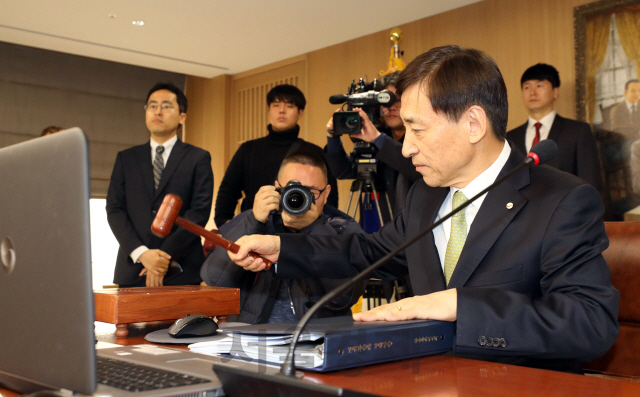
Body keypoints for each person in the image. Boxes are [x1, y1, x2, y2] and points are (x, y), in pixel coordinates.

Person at [227, 45, 619, 373]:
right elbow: (368, 252)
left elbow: (589, 325)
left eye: (418, 129)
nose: (408, 147)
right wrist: (283, 249)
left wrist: (459, 304)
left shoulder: (562, 200)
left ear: (473, 124)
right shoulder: (425, 195)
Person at [202, 150, 363, 324]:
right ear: (277, 187)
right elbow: (214, 281)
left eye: (311, 191)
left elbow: (346, 296)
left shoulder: (342, 228)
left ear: (326, 193)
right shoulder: (256, 218)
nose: (300, 198)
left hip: (315, 340)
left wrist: (314, 229)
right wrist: (253, 221)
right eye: (293, 189)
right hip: (253, 338)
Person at [106, 83, 214, 287]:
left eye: (166, 106)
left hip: (182, 267)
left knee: (184, 320)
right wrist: (142, 253)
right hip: (133, 268)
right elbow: (114, 209)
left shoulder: (197, 158)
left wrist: (164, 257)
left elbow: (199, 212)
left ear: (182, 116)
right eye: (152, 105)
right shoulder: (126, 158)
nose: (157, 111)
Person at [214, 84, 338, 227]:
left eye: (289, 106)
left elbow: (330, 199)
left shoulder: (314, 152)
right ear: (269, 110)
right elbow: (228, 191)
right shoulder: (248, 149)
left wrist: (319, 228)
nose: (281, 110)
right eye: (276, 105)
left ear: (300, 112)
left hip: (302, 234)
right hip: (255, 230)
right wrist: (226, 224)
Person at [324, 72, 421, 224]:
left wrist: (378, 139)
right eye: (386, 101)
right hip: (375, 222)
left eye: (398, 101)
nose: (391, 107)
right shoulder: (378, 137)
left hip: (409, 226)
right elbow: (343, 171)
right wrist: (333, 137)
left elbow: (412, 167)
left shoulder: (420, 137)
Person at [508, 63, 602, 190]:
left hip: (566, 208)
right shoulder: (510, 138)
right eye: (527, 87)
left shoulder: (578, 131)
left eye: (539, 86)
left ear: (555, 92)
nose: (532, 93)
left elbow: (590, 181)